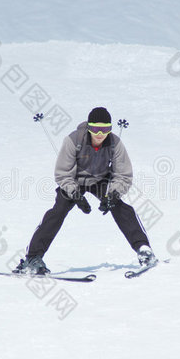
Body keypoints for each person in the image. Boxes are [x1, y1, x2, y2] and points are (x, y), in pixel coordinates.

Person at [14, 107, 155, 275]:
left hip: (100, 179)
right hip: (74, 181)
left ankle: (143, 249)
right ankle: (32, 258)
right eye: (96, 128)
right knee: (58, 211)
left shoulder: (114, 143)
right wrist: (75, 194)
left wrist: (113, 194)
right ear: (89, 127)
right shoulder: (73, 140)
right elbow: (62, 173)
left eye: (105, 129)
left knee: (121, 208)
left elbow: (123, 175)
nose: (100, 134)